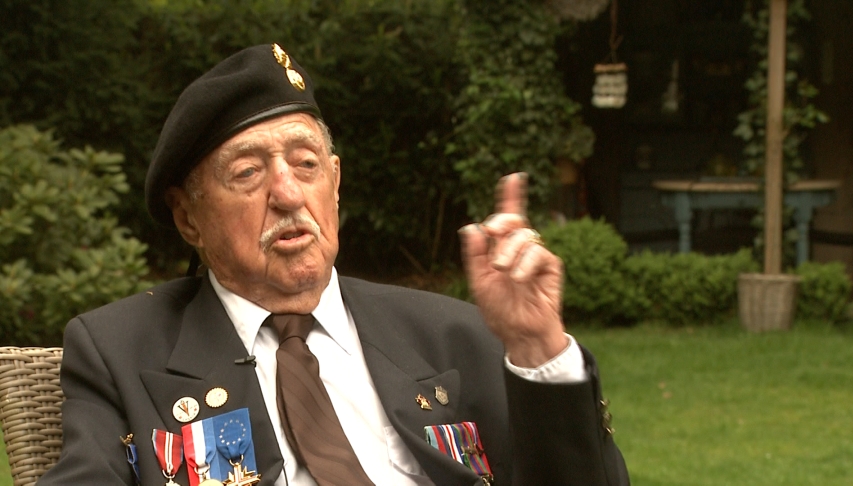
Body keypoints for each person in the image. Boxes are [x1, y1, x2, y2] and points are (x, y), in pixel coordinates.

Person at [38, 44, 628, 486]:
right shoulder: (120, 352)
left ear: (336, 183)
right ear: (189, 218)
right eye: (248, 173)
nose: (288, 193)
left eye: (306, 164)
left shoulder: (454, 336)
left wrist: (541, 351)